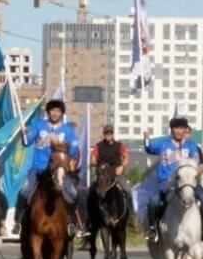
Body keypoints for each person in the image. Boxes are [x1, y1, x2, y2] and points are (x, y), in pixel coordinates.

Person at [137, 116, 203, 243]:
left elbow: (200, 165)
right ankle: (153, 229)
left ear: (185, 130)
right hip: (166, 181)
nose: (179, 130)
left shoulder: (192, 146)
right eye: (176, 128)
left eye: (181, 128)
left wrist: (195, 175)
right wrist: (146, 137)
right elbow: (149, 148)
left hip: (188, 182)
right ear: (172, 130)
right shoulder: (163, 144)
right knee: (154, 201)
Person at [13, 99, 81, 236]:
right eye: (52, 110)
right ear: (48, 112)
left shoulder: (68, 130)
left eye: (58, 111)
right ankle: (18, 222)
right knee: (25, 191)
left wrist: (61, 144)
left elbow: (74, 150)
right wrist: (24, 133)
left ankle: (72, 223)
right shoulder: (39, 125)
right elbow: (27, 142)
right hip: (38, 168)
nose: (55, 113)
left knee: (73, 193)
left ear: (62, 113)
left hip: (59, 170)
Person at [87, 124, 128, 236]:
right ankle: (89, 221)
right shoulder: (98, 146)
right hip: (103, 176)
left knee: (129, 191)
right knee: (90, 192)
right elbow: (93, 159)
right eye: (106, 133)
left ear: (113, 134)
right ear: (104, 134)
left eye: (110, 133)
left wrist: (122, 166)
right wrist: (96, 162)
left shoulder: (120, 146)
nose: (108, 135)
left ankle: (130, 219)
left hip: (116, 175)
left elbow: (125, 157)